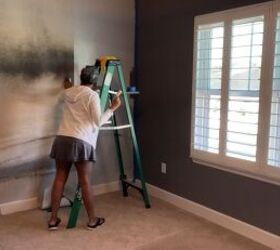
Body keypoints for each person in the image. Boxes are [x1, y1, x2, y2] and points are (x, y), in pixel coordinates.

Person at [48, 65, 121, 230]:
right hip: (80, 140)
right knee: (85, 181)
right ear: (95, 81)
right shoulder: (92, 95)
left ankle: (53, 220)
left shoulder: (68, 92)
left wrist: (68, 85)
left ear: (81, 78)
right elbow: (98, 122)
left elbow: (69, 90)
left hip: (62, 138)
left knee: (60, 178)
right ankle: (92, 220)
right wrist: (113, 107)